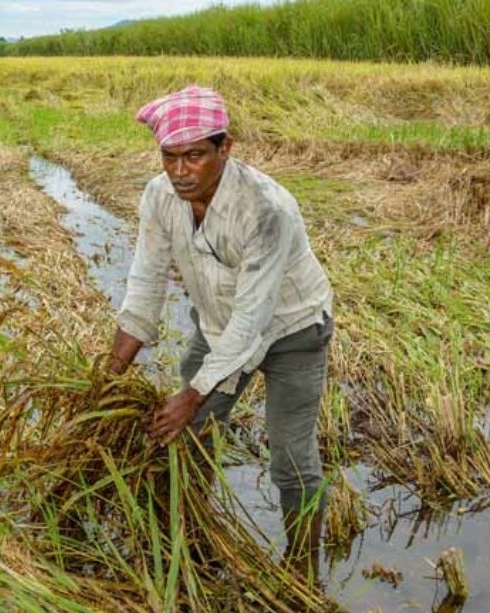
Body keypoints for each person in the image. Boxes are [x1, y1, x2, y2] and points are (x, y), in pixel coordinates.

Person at [107, 85, 334, 580]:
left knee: (291, 459)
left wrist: (193, 395)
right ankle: (190, 545)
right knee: (187, 440)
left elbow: (253, 319)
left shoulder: (266, 209)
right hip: (218, 325)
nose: (180, 171)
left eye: (194, 156)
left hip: (293, 330)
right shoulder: (159, 196)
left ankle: (302, 570)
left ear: (224, 148)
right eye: (169, 157)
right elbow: (146, 282)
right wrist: (110, 374)